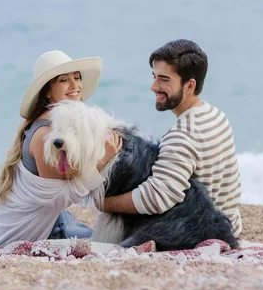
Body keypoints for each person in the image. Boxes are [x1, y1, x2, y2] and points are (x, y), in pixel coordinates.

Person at [0, 50, 122, 247]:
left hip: (47, 218)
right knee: (106, 244)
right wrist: (103, 160)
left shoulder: (59, 127)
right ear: (47, 91)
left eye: (77, 77)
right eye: (64, 80)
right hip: (15, 232)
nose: (74, 85)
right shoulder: (45, 133)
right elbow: (57, 199)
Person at [101, 39, 242, 237]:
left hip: (200, 235)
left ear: (189, 85)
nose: (154, 86)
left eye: (164, 80)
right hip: (230, 228)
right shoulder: (217, 116)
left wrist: (104, 202)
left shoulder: (182, 135)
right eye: (154, 77)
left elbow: (157, 198)